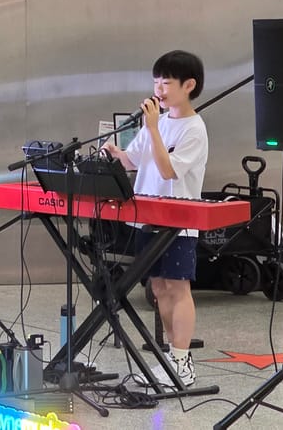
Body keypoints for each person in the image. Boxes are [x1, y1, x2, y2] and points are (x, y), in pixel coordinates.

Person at [101, 50, 207, 388]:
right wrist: (116, 153)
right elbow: (135, 161)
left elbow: (168, 169)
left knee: (178, 287)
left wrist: (153, 128)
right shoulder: (156, 123)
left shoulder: (194, 128)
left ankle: (183, 362)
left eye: (166, 83)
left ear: (188, 85)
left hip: (178, 218)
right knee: (159, 288)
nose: (158, 90)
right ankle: (170, 359)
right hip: (147, 215)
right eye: (155, 82)